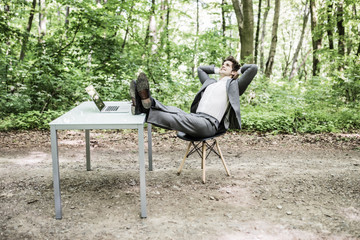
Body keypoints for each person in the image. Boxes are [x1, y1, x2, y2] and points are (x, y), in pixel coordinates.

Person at [130, 56, 257, 138]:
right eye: (223, 64)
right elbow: (200, 69)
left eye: (227, 65)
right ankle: (146, 102)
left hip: (208, 125)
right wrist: (219, 70)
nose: (223, 66)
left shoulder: (234, 86)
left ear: (233, 72)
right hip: (195, 118)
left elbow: (253, 68)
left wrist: (236, 72)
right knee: (175, 110)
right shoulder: (210, 82)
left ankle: (143, 105)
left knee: (178, 117)